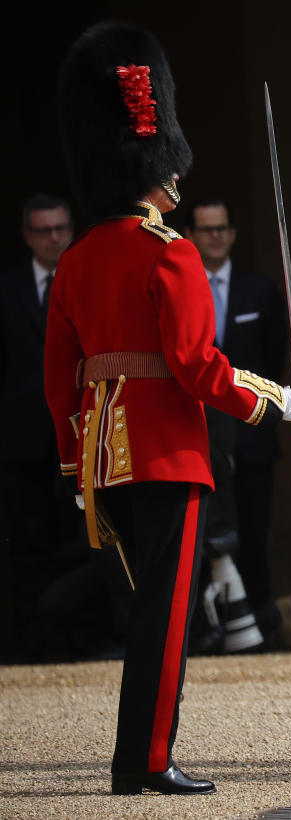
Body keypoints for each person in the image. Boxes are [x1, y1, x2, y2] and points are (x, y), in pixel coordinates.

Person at [46, 21, 291, 796]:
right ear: (156, 168)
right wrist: (283, 403)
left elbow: (58, 378)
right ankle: (144, 759)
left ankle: (131, 759)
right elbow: (195, 365)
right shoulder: (168, 252)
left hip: (104, 460)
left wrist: (78, 463)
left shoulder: (75, 261)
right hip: (168, 455)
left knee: (143, 614)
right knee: (167, 620)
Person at [183, 197, 291, 652]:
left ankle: (263, 632)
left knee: (251, 537)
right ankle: (210, 637)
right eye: (205, 229)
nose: (214, 236)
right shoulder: (181, 285)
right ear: (191, 235)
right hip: (195, 437)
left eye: (221, 228)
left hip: (249, 436)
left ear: (232, 234)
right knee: (198, 540)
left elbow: (273, 364)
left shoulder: (258, 290)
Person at [0, 194, 84, 661]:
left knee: (82, 545)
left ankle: (81, 646)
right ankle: (34, 654)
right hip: (23, 445)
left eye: (62, 229)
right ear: (28, 236)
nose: (55, 239)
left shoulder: (84, 282)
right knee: (29, 547)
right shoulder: (7, 289)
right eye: (45, 231)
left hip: (77, 438)